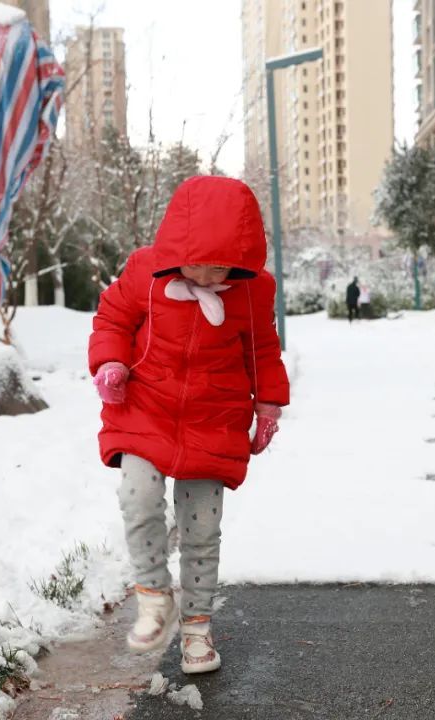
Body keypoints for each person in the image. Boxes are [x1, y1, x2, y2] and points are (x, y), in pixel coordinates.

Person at [88, 176, 290, 675]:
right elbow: (111, 320)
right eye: (198, 260)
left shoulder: (252, 292)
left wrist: (268, 406)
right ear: (178, 247)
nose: (207, 273)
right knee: (138, 498)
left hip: (214, 418)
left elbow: (262, 349)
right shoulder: (144, 273)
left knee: (202, 529)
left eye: (221, 263)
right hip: (146, 408)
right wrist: (110, 364)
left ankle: (197, 629)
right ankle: (154, 597)